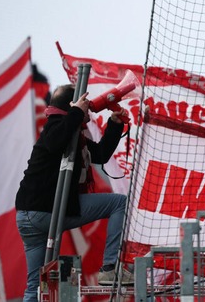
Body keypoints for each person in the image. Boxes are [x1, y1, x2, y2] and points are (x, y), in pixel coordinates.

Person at [15, 85, 131, 302]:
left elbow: (101, 154)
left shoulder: (72, 134)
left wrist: (114, 125)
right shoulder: (57, 125)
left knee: (34, 286)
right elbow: (55, 141)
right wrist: (76, 112)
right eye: (85, 104)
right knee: (119, 203)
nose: (89, 110)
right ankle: (110, 267)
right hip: (45, 210)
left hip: (28, 216)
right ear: (72, 106)